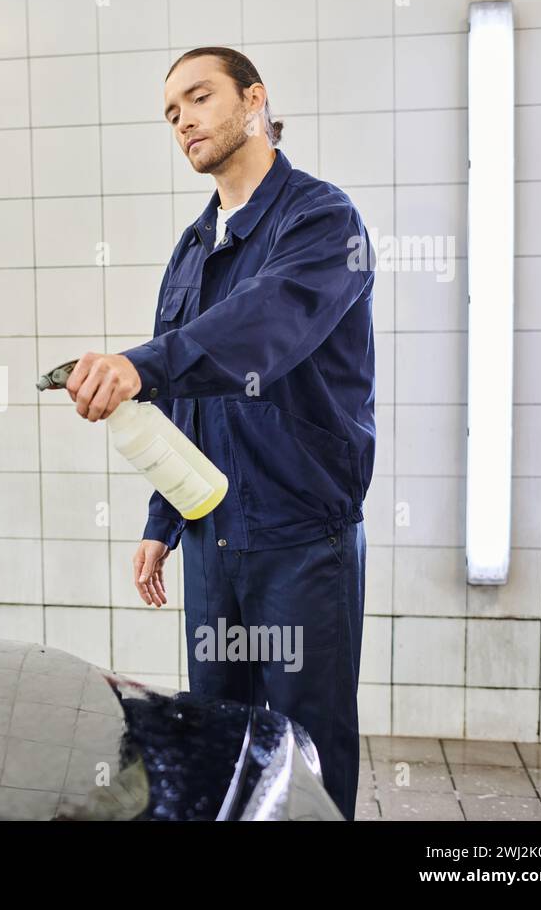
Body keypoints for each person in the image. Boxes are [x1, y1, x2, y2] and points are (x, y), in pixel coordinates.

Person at [64, 46, 376, 821]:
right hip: (213, 540)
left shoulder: (322, 219)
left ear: (254, 99)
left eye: (199, 98)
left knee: (304, 751)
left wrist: (142, 365)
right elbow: (185, 403)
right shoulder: (194, 248)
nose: (184, 121)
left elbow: (264, 328)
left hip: (300, 540)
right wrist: (163, 520)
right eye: (171, 113)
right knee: (220, 741)